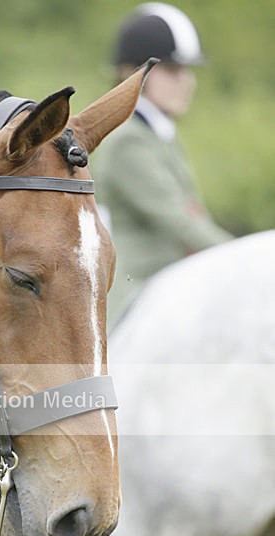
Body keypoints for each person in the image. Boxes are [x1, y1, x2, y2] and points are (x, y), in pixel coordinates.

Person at [95, 2, 233, 325]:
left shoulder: (158, 136)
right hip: (139, 300)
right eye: (173, 71)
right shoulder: (127, 141)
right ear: (131, 72)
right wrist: (250, 257)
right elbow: (181, 223)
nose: (187, 82)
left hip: (172, 290)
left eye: (186, 71)